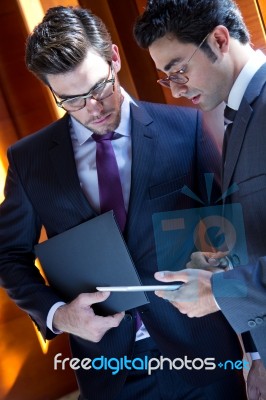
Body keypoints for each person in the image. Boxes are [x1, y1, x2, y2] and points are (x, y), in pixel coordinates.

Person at [0, 5, 248, 400]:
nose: (93, 109)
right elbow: (7, 255)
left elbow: (231, 226)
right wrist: (57, 315)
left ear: (114, 58)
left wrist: (252, 346)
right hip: (108, 372)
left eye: (98, 88)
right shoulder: (29, 161)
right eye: (72, 101)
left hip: (204, 355)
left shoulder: (186, 128)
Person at [134, 0, 266, 398]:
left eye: (178, 70)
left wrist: (220, 291)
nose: (175, 88)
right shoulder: (241, 115)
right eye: (165, 78)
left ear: (220, 39)